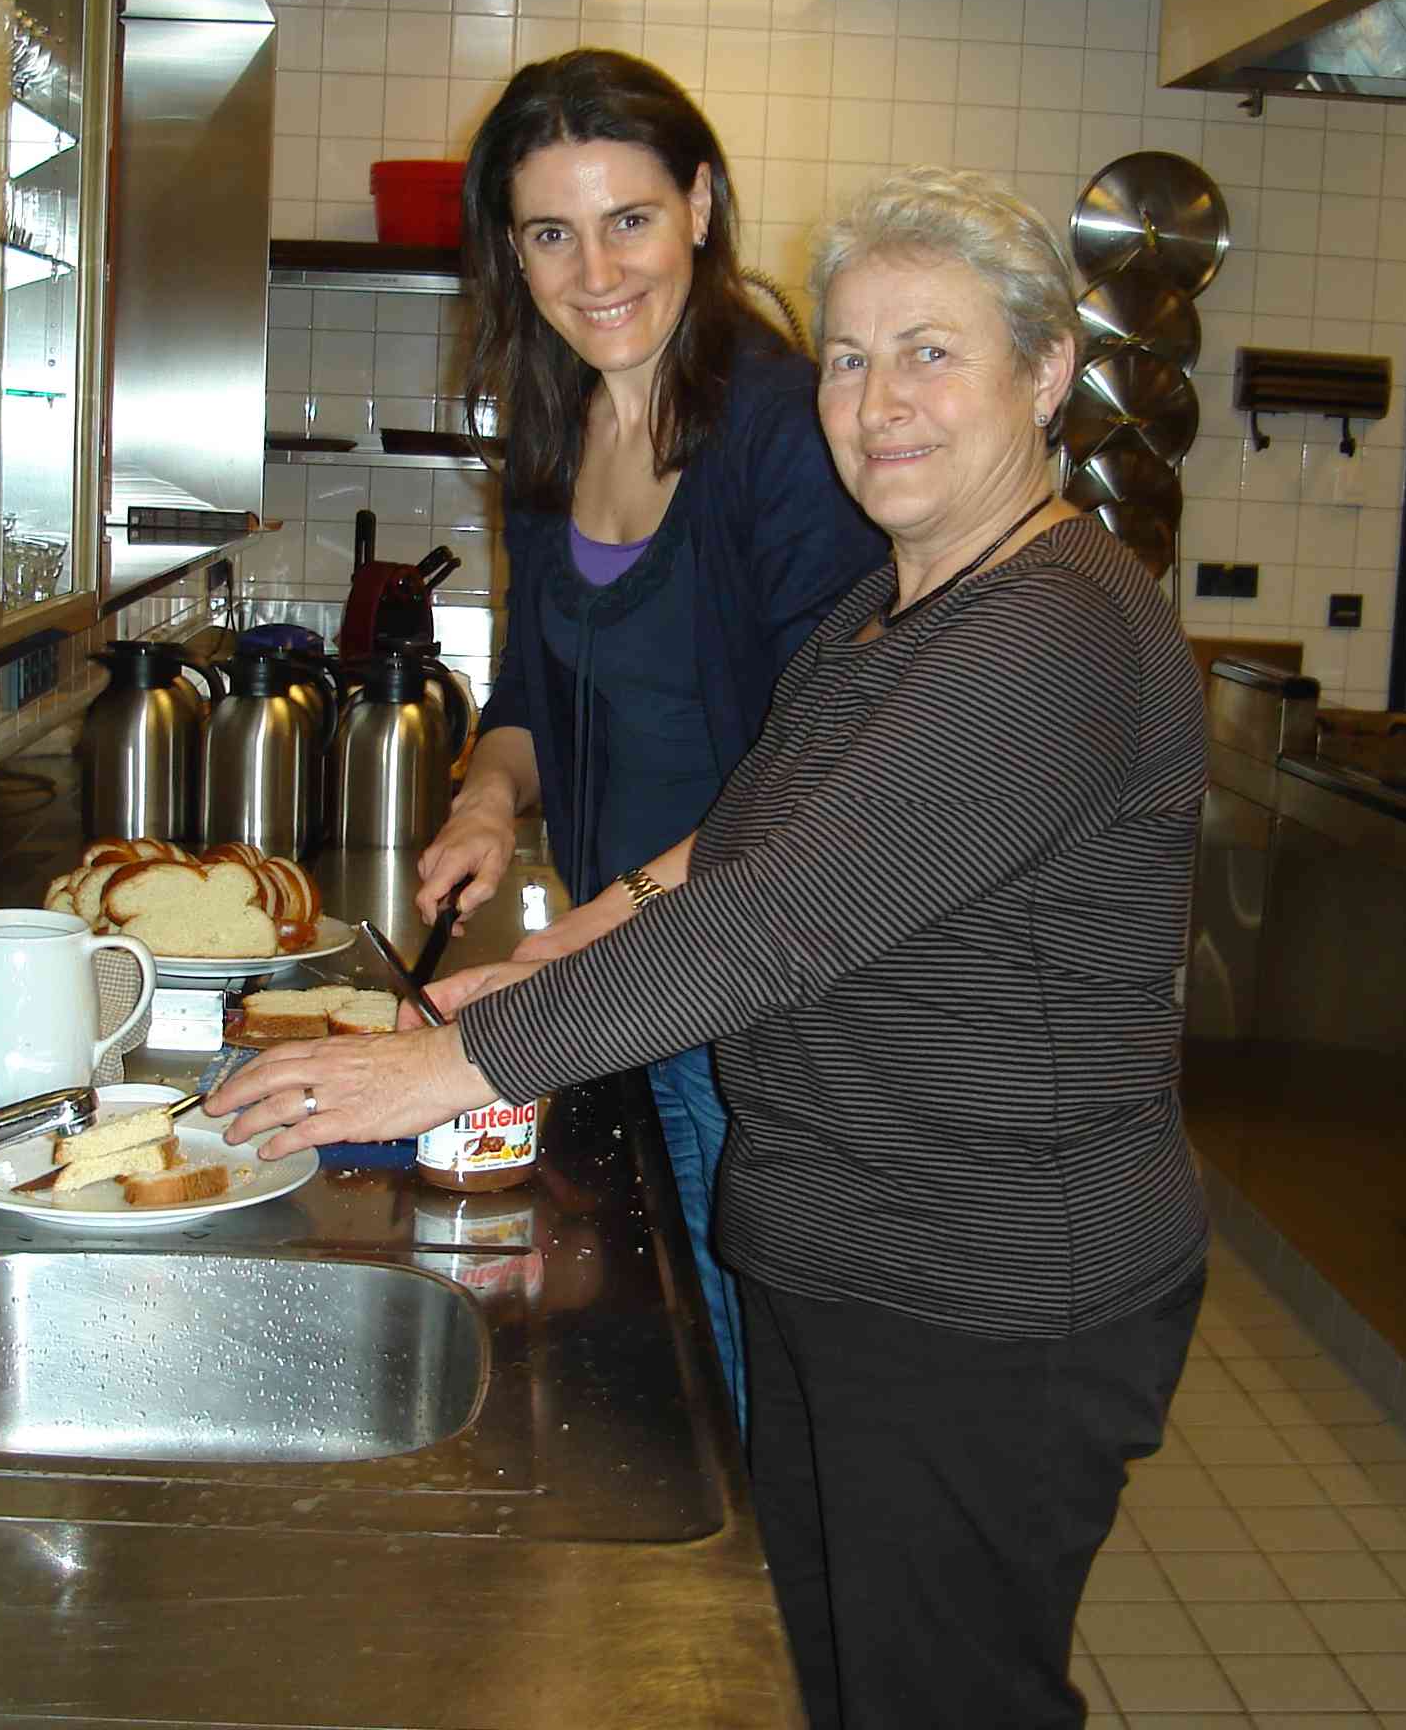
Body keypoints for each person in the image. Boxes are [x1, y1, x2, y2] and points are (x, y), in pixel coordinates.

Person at [208, 166, 1210, 1730]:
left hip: (987, 1287)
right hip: (848, 1254)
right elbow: (741, 843)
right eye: (851, 359)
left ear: (1046, 373)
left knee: (938, 1699)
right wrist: (544, 965)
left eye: (932, 353)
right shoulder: (889, 616)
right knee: (825, 1675)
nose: (879, 402)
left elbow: (779, 923)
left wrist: (451, 1065)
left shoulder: (1055, 631)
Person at [410, 49, 886, 1433]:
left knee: (754, 1372)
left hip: (765, 994)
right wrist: (488, 800)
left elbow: (820, 771)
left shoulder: (786, 435)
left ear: (701, 205)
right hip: (635, 975)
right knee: (677, 1345)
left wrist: (587, 934)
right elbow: (532, 692)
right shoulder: (554, 430)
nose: (596, 270)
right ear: (511, 250)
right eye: (551, 234)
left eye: (629, 219)